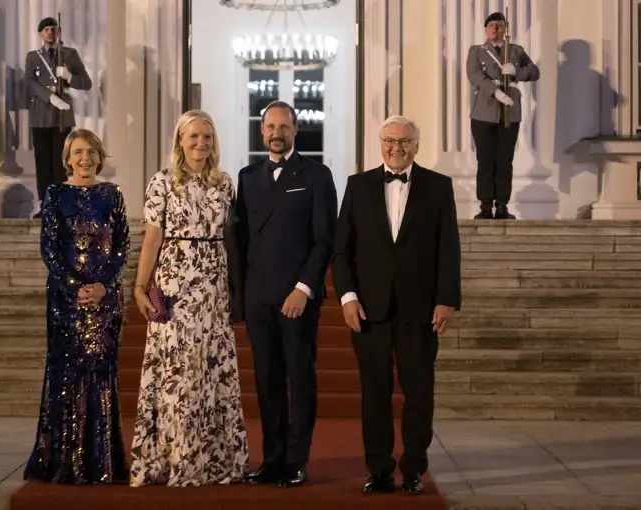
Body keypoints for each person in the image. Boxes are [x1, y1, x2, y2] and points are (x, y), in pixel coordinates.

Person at [331, 116, 461, 494]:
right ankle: (380, 469)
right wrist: (348, 297)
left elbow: (448, 248)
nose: (396, 149)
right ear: (379, 143)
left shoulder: (439, 187)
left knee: (419, 392)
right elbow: (342, 250)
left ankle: (414, 467)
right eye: (389, 141)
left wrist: (447, 300)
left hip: (420, 309)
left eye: (404, 142)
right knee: (374, 392)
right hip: (369, 309)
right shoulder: (358, 186)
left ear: (417, 146)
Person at [130, 110, 248, 487]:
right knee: (177, 374)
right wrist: (139, 285)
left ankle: (212, 459)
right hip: (174, 283)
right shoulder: (162, 182)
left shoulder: (224, 183)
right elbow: (152, 238)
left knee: (209, 369)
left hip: (212, 285)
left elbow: (231, 241)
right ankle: (173, 457)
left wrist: (233, 289)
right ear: (180, 140)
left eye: (207, 137)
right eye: (194, 136)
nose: (201, 143)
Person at [236, 100, 337, 488]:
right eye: (270, 127)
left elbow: (325, 239)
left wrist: (304, 289)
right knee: (266, 382)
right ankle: (272, 458)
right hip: (258, 299)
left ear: (296, 130)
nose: (277, 134)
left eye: (284, 127)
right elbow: (241, 242)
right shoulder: (246, 177)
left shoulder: (316, 175)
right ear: (262, 131)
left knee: (300, 379)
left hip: (297, 298)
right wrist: (242, 295)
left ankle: (297, 461)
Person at [24, 128, 129, 484]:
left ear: (100, 157)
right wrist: (75, 288)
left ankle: (101, 462)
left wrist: (102, 286)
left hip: (104, 301)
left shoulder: (112, 195)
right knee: (66, 377)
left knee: (100, 374)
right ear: (68, 158)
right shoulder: (55, 194)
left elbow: (122, 247)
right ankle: (62, 462)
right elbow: (49, 248)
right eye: (78, 152)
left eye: (92, 152)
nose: (85, 158)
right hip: (65, 302)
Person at [466, 11, 539, 220]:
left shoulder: (515, 50)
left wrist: (516, 72)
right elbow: (474, 75)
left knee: (505, 160)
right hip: (484, 111)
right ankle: (486, 204)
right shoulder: (477, 51)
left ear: (505, 28)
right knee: (486, 160)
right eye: (491, 26)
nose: (495, 29)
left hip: (510, 111)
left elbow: (534, 72)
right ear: (486, 29)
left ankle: (502, 204)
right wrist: (495, 91)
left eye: (499, 25)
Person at [24, 16, 92, 218]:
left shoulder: (69, 54)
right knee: (42, 161)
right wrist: (49, 97)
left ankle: (60, 205)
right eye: (46, 29)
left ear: (58, 31)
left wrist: (70, 77)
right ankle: (45, 203)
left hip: (62, 115)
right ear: (40, 34)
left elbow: (86, 83)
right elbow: (29, 83)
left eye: (53, 29)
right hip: (41, 114)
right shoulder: (33, 57)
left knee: (61, 162)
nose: (50, 33)